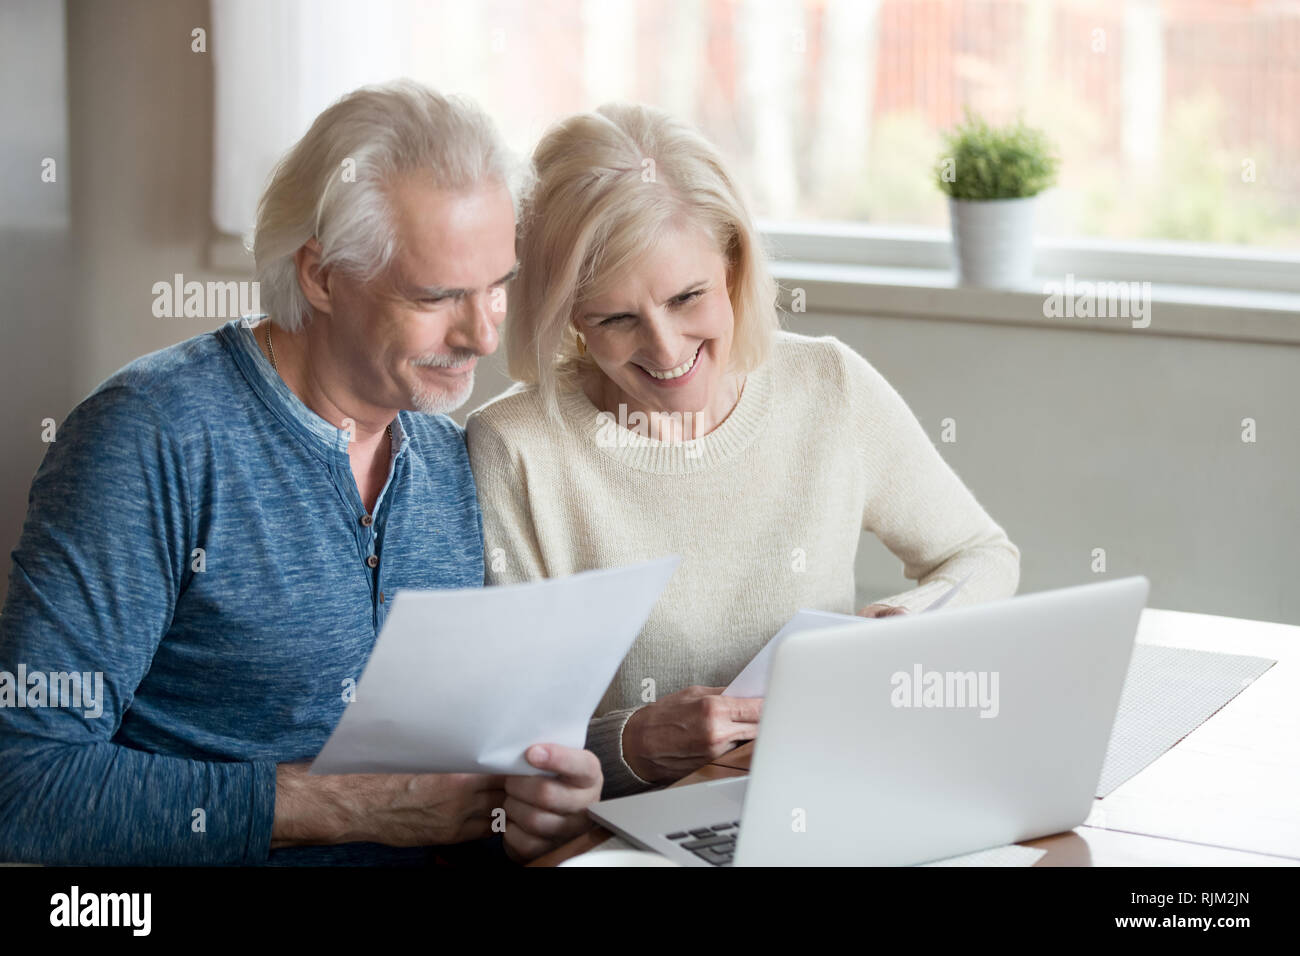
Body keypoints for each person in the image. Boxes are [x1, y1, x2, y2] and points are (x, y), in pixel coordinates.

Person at [0, 81, 601, 865]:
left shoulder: (456, 456)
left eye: (498, 286)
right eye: (437, 295)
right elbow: (23, 779)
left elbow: (474, 759)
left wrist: (536, 798)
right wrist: (335, 805)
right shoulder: (148, 440)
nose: (483, 335)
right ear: (319, 276)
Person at [466, 103, 1021, 799]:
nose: (666, 351)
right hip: (635, 834)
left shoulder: (827, 385)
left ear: (732, 262)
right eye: (616, 319)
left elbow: (983, 556)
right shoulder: (514, 450)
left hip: (829, 793)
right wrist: (632, 743)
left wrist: (907, 627)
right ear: (568, 315)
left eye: (687, 297)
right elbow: (506, 748)